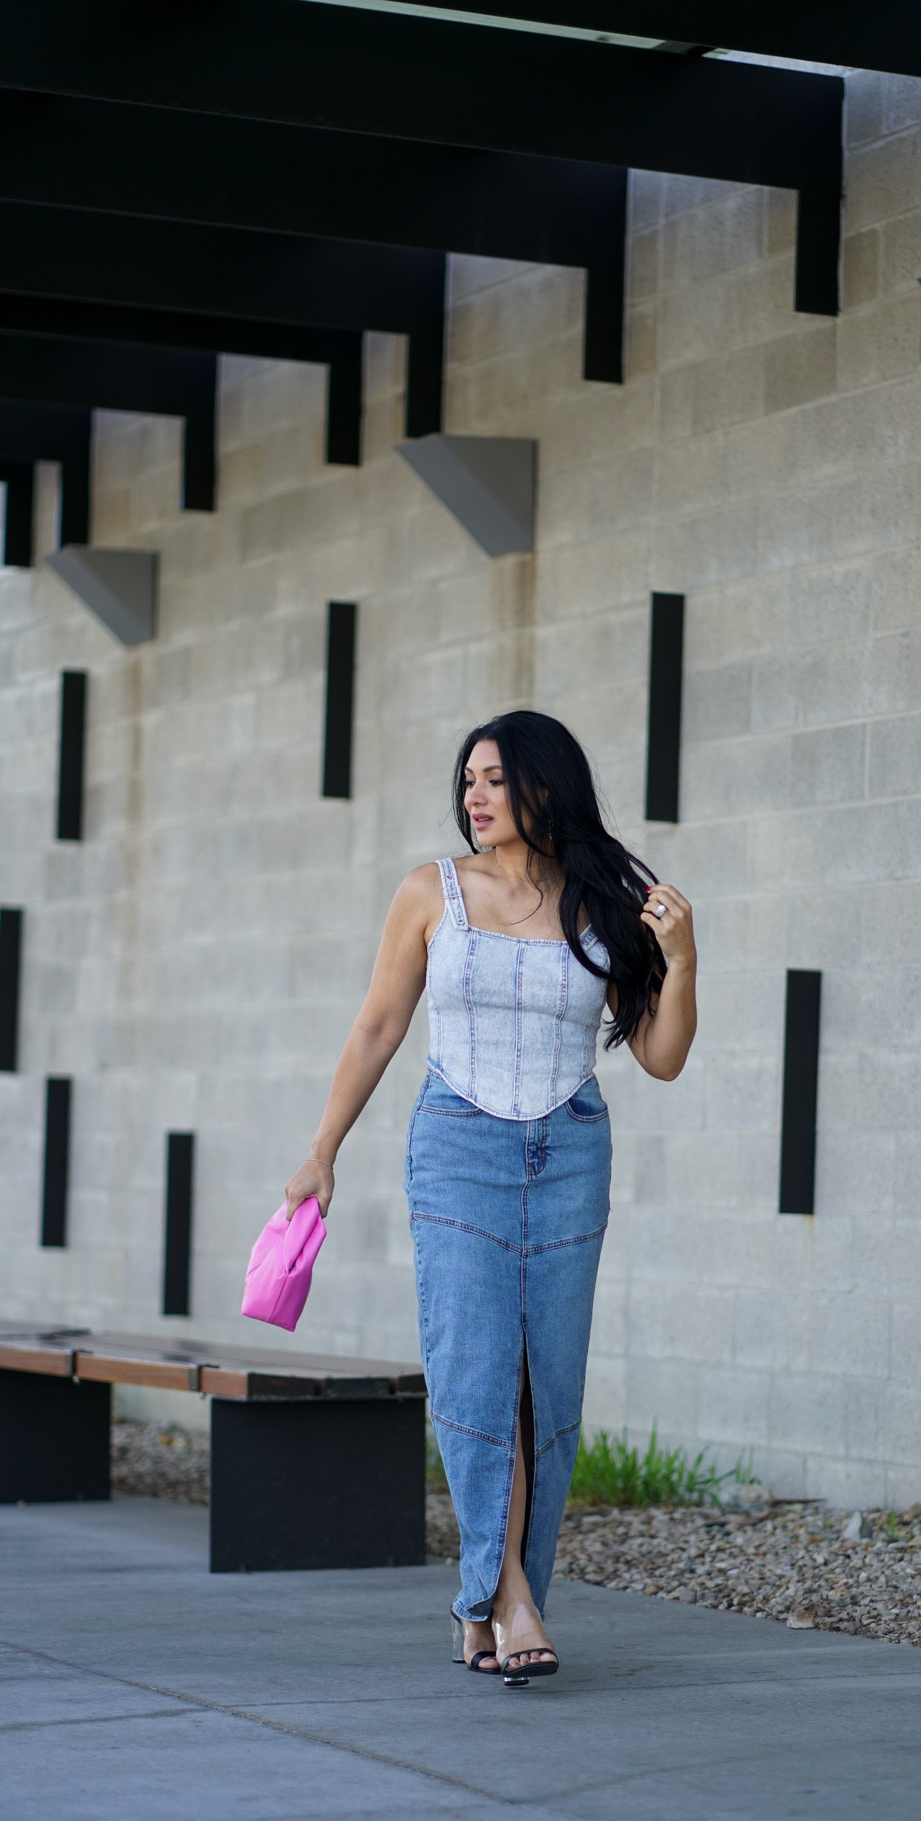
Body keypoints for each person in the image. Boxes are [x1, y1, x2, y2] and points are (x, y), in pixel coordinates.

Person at [284, 710, 697, 1684]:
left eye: (493, 778)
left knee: (541, 1390)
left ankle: (484, 1603)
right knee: (475, 1374)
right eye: (466, 779)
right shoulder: (431, 894)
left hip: (569, 1156)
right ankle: (511, 1597)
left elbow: (662, 1057)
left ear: (542, 786)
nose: (472, 795)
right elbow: (380, 1026)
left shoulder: (605, 901)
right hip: (458, 1148)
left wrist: (682, 961)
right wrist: (322, 1152)